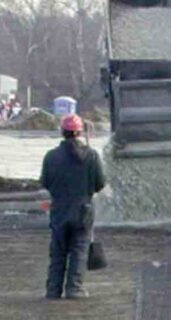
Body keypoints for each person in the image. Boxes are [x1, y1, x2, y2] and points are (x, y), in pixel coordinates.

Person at [41, 114, 106, 299]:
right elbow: (100, 183)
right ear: (79, 132)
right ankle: (74, 289)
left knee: (58, 251)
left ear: (62, 132)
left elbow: (45, 182)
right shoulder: (91, 155)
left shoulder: (51, 156)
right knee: (79, 250)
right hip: (83, 210)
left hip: (59, 210)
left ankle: (53, 290)